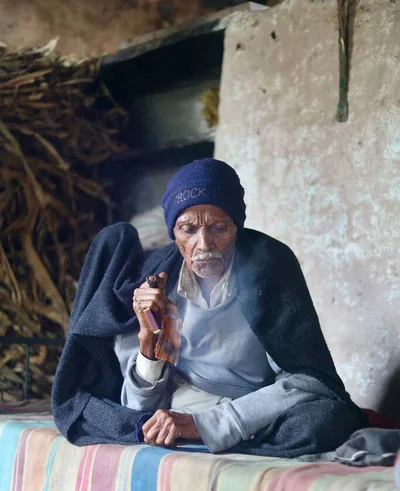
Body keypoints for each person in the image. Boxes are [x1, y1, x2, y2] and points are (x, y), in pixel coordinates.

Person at [53, 158, 367, 455]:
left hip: (253, 411)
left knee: (325, 420)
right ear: (174, 234)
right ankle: (205, 438)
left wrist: (208, 425)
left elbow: (308, 378)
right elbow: (139, 409)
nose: (204, 244)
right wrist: (149, 351)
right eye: (188, 229)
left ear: (237, 227)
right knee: (99, 413)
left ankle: (209, 439)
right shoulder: (160, 284)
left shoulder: (269, 266)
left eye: (218, 228)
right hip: (178, 409)